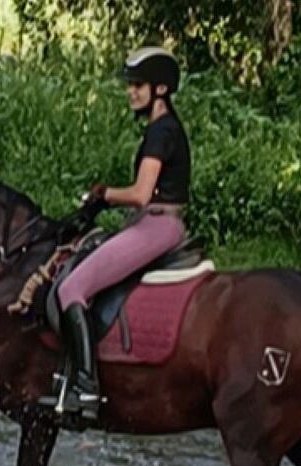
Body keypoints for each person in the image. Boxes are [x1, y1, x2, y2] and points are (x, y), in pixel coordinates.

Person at [46, 46, 191, 420]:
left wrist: (104, 194)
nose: (131, 92)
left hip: (156, 225)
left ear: (160, 89)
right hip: (155, 222)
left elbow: (141, 193)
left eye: (138, 85)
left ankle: (87, 387)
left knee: (70, 289)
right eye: (130, 85)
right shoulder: (165, 128)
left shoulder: (161, 132)